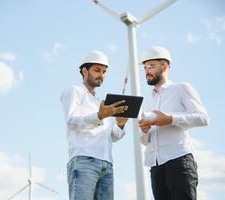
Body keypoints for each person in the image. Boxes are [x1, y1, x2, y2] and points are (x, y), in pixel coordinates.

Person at [138, 46, 209, 200]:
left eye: (151, 66)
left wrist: (170, 119)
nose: (147, 71)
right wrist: (144, 131)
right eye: (144, 68)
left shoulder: (182, 88)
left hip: (179, 162)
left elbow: (203, 118)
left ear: (164, 66)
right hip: (155, 167)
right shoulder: (147, 103)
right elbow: (144, 141)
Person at [60, 50, 129, 200]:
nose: (101, 75)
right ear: (84, 71)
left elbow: (113, 137)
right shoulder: (74, 91)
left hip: (107, 164)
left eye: (104, 71)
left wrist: (120, 125)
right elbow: (72, 121)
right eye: (97, 70)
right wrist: (99, 115)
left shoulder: (103, 103)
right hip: (84, 160)